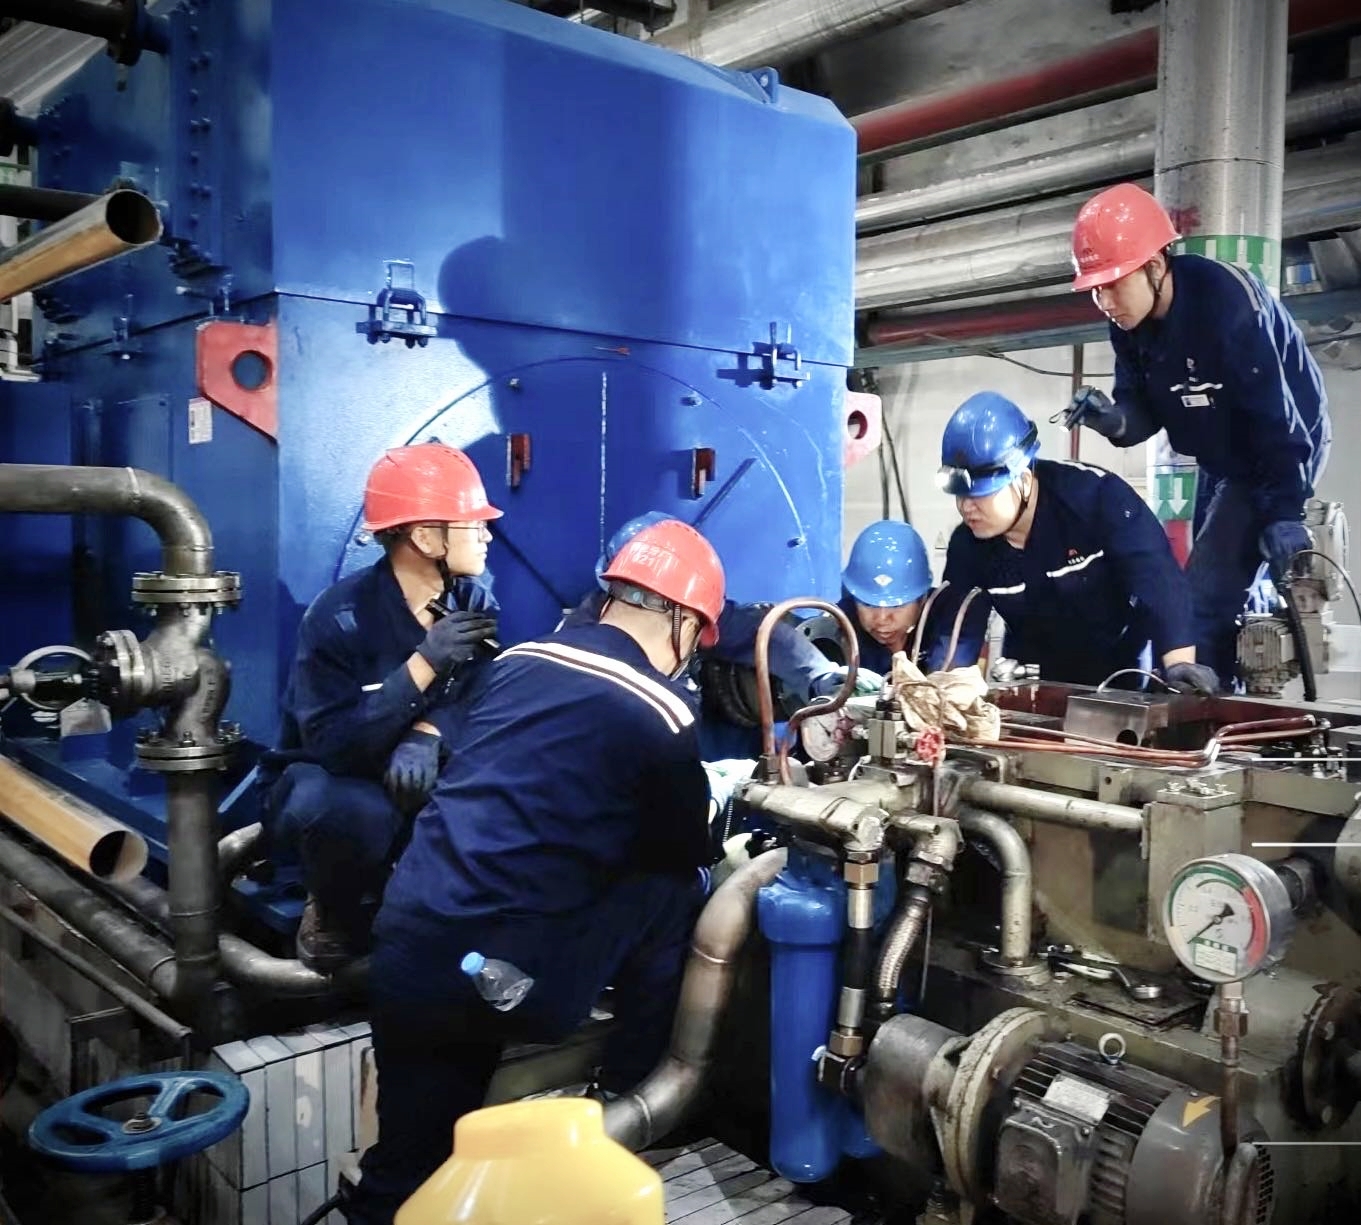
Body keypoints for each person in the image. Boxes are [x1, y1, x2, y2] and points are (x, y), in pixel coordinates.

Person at [346, 518, 724, 1225]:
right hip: (509, 983)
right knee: (679, 889)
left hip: (406, 944)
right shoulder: (664, 709)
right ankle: (626, 1096)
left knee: (409, 1165)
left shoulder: (518, 659)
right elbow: (685, 847)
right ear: (683, 620)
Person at [1063, 182, 1331, 682]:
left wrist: (1284, 510)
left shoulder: (1227, 305)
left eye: (1113, 284)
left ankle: (1201, 714)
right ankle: (1229, 679)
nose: (1104, 301)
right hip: (1220, 457)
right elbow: (1141, 410)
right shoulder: (1129, 325)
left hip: (1279, 449)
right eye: (1095, 289)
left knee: (1200, 601)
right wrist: (1115, 420)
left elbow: (1277, 419)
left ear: (1155, 265)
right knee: (1218, 585)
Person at [258, 443, 501, 971]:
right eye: (474, 524)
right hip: (329, 778)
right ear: (426, 537)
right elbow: (333, 747)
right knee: (351, 812)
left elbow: (483, 696)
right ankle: (332, 910)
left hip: (420, 768)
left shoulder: (472, 601)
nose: (487, 534)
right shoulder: (339, 617)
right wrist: (423, 665)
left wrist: (429, 731)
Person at [928, 391, 1217, 693]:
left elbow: (1160, 581)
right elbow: (957, 632)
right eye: (960, 495)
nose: (966, 507)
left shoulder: (1097, 499)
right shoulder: (968, 546)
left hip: (1120, 666)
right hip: (1033, 674)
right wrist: (942, 692)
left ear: (1023, 480)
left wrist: (1179, 665)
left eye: (980, 494)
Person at [841, 518, 984, 677]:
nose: (882, 619)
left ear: (922, 598)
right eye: (868, 604)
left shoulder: (951, 616)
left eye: (897, 606)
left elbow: (949, 677)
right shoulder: (839, 622)